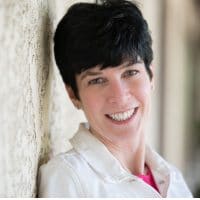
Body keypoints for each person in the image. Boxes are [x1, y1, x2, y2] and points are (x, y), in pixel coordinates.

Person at [38, 0, 193, 197]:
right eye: (97, 80)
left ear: (151, 76)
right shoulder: (68, 178)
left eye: (130, 73)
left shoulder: (174, 179)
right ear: (73, 94)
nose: (119, 96)